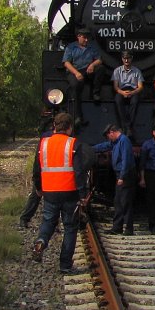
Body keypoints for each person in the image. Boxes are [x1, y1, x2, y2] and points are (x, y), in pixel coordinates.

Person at [31, 112, 95, 274]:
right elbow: (79, 172)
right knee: (70, 228)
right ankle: (65, 265)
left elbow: (37, 169)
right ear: (69, 127)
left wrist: (38, 187)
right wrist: (82, 196)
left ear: (54, 126)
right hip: (69, 192)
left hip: (50, 191)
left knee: (48, 221)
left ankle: (41, 241)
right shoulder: (73, 144)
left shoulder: (43, 143)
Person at [93, 123, 136, 235]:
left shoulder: (124, 141)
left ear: (112, 132)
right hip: (120, 174)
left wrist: (122, 176)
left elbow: (126, 159)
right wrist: (91, 149)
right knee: (118, 201)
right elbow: (105, 145)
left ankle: (128, 228)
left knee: (125, 201)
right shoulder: (116, 141)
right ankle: (117, 227)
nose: (108, 138)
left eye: (108, 135)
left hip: (125, 175)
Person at [62, 29, 107, 125]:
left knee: (101, 69)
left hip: (87, 70)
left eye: (88, 38)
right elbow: (66, 63)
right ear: (78, 36)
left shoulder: (92, 46)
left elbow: (99, 60)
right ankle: (77, 116)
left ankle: (96, 93)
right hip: (74, 71)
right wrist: (76, 73)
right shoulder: (71, 47)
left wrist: (92, 65)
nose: (86, 40)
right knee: (75, 85)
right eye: (84, 38)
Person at [112, 52, 144, 138]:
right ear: (122, 59)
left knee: (135, 101)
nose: (126, 60)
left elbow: (140, 87)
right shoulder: (117, 71)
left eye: (128, 58)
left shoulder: (137, 71)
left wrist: (132, 92)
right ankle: (125, 125)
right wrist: (122, 92)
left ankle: (128, 125)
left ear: (131, 58)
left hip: (133, 91)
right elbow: (115, 87)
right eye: (125, 58)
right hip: (121, 90)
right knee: (118, 99)